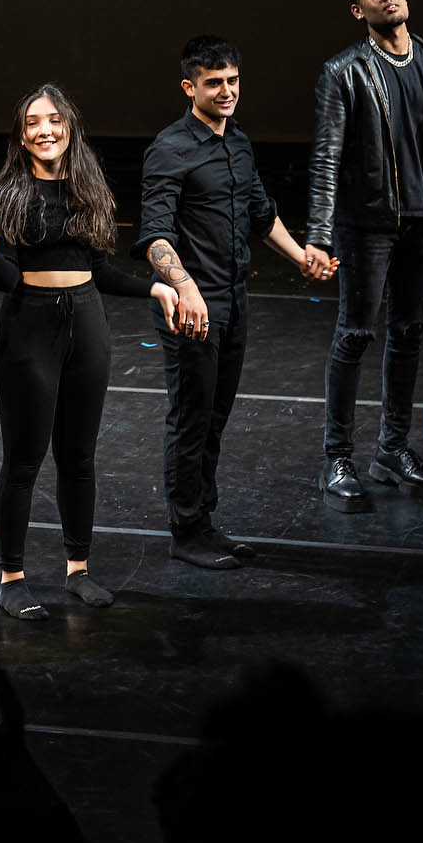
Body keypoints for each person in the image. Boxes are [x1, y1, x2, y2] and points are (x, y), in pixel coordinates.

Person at [0, 85, 180, 620]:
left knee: (79, 457)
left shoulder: (90, 188)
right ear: (21, 134)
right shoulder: (7, 194)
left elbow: (100, 270)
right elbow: (7, 279)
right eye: (34, 122)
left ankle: (78, 569)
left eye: (54, 120)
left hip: (87, 324)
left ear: (69, 127)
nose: (45, 130)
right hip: (29, 328)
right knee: (24, 460)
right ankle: (11, 578)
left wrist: (153, 287)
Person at [134, 36, 322, 570]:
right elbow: (153, 235)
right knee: (191, 419)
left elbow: (260, 214)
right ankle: (185, 530)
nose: (226, 91)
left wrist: (300, 256)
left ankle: (205, 522)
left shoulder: (238, 142)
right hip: (192, 305)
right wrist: (186, 288)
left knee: (215, 418)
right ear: (188, 87)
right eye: (213, 83)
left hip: (233, 300)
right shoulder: (169, 148)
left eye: (232, 81)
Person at [305, 0, 423, 512]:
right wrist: (321, 237)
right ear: (359, 9)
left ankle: (393, 450)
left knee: (408, 334)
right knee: (355, 335)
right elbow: (326, 160)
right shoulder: (344, 71)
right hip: (367, 226)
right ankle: (338, 457)